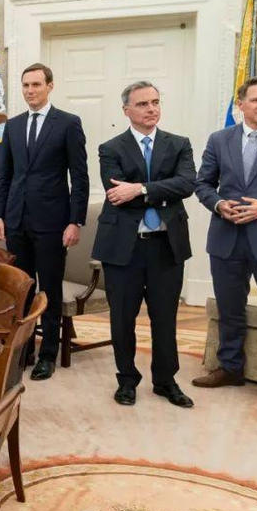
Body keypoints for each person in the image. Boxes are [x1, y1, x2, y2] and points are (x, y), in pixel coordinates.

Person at [91, 81, 195, 408]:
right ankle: (127, 380)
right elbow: (115, 193)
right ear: (126, 111)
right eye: (142, 104)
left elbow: (186, 184)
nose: (151, 109)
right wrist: (161, 190)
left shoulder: (179, 144)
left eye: (155, 102)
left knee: (165, 318)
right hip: (124, 247)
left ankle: (165, 381)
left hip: (167, 246)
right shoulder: (110, 148)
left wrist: (140, 189)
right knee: (122, 319)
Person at [0, 62, 89, 381]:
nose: (30, 90)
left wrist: (75, 221)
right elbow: (4, 175)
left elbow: (79, 176)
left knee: (48, 288)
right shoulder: (13, 125)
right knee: (22, 289)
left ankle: (48, 352)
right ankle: (24, 350)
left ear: (50, 86)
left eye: (36, 84)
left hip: (52, 222)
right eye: (26, 85)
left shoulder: (68, 123)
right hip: (16, 220)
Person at [194, 76, 257, 393]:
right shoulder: (219, 139)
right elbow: (203, 183)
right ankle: (230, 369)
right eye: (256, 99)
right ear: (241, 105)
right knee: (229, 309)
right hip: (226, 239)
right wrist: (219, 204)